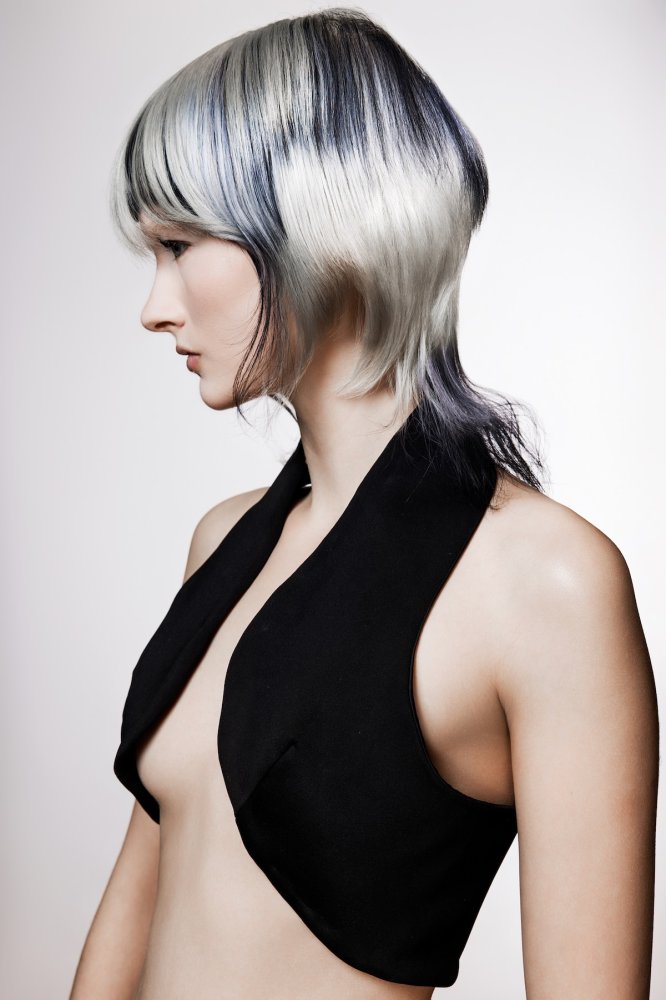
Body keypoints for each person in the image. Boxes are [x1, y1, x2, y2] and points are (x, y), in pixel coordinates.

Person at [69, 8, 658, 999]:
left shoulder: (543, 584)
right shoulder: (225, 541)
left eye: (180, 243)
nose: (155, 307)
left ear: (319, 225)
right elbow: (136, 899)